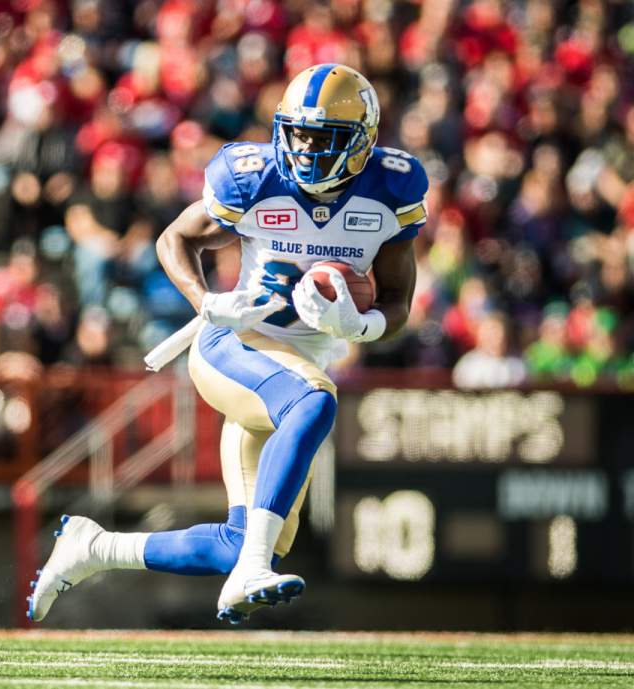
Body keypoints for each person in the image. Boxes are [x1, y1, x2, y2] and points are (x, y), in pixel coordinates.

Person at [29, 64, 426, 624]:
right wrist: (206, 301)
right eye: (300, 133)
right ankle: (253, 571)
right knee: (315, 401)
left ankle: (94, 548)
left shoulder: (391, 188)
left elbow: (398, 299)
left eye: (325, 138)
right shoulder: (256, 177)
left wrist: (359, 327)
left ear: (361, 141)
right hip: (234, 343)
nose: (308, 149)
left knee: (243, 540)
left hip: (297, 364)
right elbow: (177, 239)